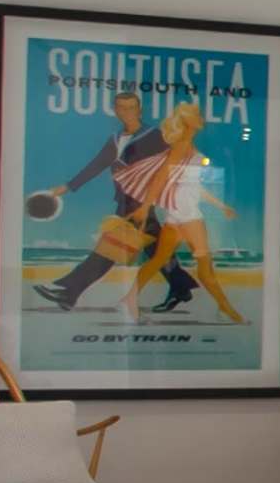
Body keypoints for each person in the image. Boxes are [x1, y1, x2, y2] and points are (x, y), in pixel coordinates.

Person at [27, 84, 198, 314]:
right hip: (125, 200)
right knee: (155, 250)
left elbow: (170, 167)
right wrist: (66, 187)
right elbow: (96, 165)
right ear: (115, 110)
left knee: (108, 249)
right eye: (121, 108)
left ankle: (68, 291)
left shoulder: (155, 136)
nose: (126, 112)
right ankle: (181, 285)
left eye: (131, 108)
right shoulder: (116, 138)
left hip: (140, 203)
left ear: (139, 110)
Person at [118, 102, 244, 326]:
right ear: (187, 120)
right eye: (197, 114)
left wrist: (220, 205)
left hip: (178, 214)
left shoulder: (187, 145)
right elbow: (161, 177)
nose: (201, 117)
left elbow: (192, 186)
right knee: (205, 266)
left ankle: (129, 299)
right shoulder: (182, 145)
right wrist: (146, 206)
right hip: (188, 215)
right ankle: (226, 310)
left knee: (158, 260)